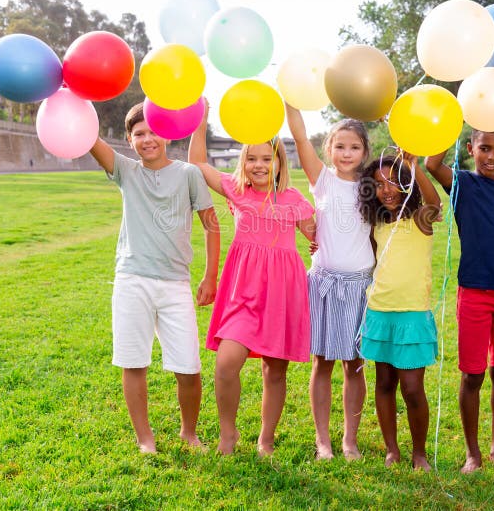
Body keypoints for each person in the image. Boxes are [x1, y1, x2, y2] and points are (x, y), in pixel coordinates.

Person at [89, 102, 220, 454]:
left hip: (175, 283)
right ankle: (145, 438)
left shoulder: (189, 174)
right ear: (129, 140)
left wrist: (210, 276)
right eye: (139, 134)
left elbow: (211, 224)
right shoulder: (126, 171)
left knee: (189, 367)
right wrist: (75, 96)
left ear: (168, 132)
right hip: (133, 280)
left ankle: (188, 433)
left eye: (153, 131)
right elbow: (89, 137)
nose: (148, 139)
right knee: (133, 362)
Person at [188, 103, 316, 456]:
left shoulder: (295, 201)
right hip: (243, 292)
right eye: (251, 159)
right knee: (227, 361)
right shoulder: (237, 191)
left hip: (282, 294)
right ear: (242, 162)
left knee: (274, 371)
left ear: (279, 163)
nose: (259, 165)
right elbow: (197, 164)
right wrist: (201, 120)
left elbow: (318, 238)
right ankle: (228, 434)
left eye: (267, 158)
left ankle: (266, 438)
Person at [425, 127, 494, 473]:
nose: (491, 157)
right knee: (473, 375)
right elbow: (431, 162)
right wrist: (452, 119)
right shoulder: (463, 185)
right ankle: (474, 454)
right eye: (484, 148)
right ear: (470, 148)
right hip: (475, 294)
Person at [285, 103, 373, 461]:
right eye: (340, 146)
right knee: (322, 362)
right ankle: (324, 441)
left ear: (365, 152)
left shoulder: (373, 186)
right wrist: (292, 98)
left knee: (355, 363)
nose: (346, 153)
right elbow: (299, 136)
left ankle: (350, 440)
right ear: (329, 149)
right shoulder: (322, 180)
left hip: (359, 286)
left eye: (354, 147)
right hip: (323, 283)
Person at [358, 153, 443, 471]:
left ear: (406, 183)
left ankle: (419, 452)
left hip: (412, 317)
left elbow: (434, 201)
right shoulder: (377, 225)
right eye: (379, 185)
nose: (387, 190)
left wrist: (414, 166)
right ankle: (392, 448)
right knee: (384, 383)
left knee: (411, 388)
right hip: (380, 313)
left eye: (394, 181)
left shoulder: (420, 219)